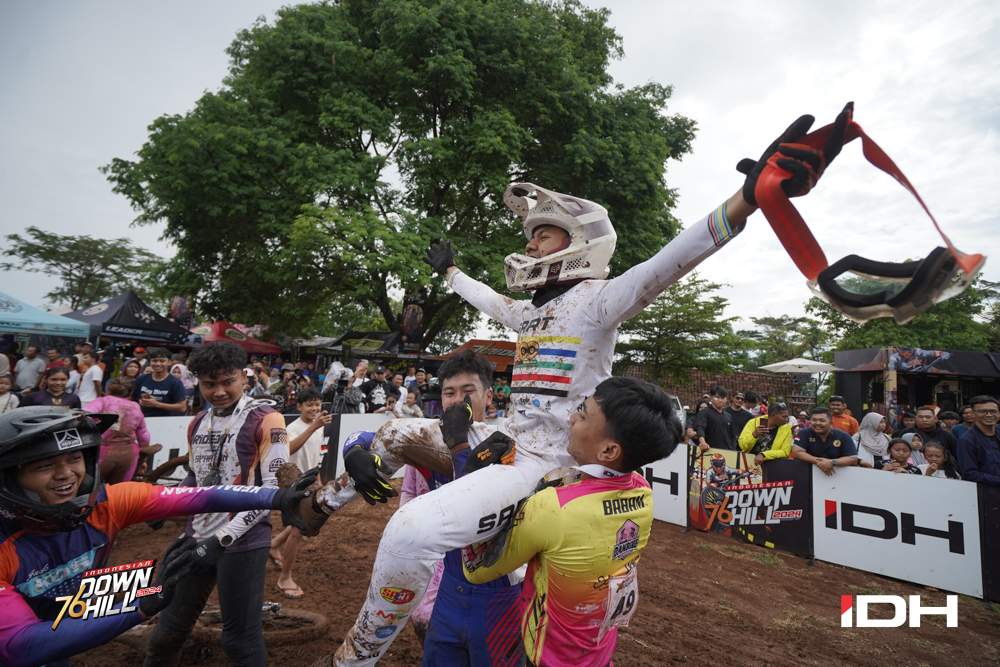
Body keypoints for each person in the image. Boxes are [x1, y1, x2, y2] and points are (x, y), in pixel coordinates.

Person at [316, 106, 852, 665]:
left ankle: (354, 659)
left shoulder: (599, 302)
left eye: (542, 235)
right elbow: (488, 300)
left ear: (580, 240)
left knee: (407, 532)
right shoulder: (529, 313)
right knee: (391, 432)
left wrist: (748, 198)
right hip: (507, 437)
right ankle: (319, 503)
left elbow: (669, 263)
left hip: (547, 464)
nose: (529, 248)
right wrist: (451, 274)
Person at [0, 405, 314, 667]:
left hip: (57, 637)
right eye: (44, 465)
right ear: (10, 476)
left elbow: (203, 497)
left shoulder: (105, 505)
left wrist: (274, 498)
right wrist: (140, 605)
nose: (67, 474)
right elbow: (19, 646)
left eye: (74, 458)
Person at [463, 377, 680, 667]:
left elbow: (476, 571)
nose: (571, 417)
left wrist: (471, 479)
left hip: (547, 656)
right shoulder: (642, 489)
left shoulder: (553, 506)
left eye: (583, 414)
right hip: (597, 652)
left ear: (609, 451)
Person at [144, 342, 292, 667]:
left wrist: (221, 539)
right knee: (166, 633)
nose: (220, 391)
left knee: (239, 641)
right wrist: (163, 505)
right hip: (196, 538)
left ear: (244, 377)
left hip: (243, 542)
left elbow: (271, 493)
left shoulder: (267, 419)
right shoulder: (198, 422)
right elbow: (195, 478)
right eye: (210, 384)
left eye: (228, 381)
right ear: (198, 382)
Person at [270, 387, 332, 599]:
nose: (315, 408)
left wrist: (318, 480)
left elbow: (314, 457)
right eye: (309, 405)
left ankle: (274, 545)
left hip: (308, 481)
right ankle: (284, 578)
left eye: (317, 404)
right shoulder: (293, 428)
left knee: (300, 522)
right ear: (299, 407)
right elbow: (288, 449)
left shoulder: (319, 426)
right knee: (298, 528)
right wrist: (314, 427)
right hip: (292, 484)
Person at [84, 377, 150, 484]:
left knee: (92, 489)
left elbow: (85, 415)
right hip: (128, 454)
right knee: (119, 492)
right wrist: (143, 458)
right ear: (130, 392)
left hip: (102, 451)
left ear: (109, 389)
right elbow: (144, 436)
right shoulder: (135, 406)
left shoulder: (102, 401)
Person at [792, 407, 858, 475]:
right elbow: (797, 452)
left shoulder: (843, 436)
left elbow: (853, 458)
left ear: (831, 424)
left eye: (822, 420)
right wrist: (819, 462)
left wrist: (832, 462)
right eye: (814, 420)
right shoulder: (804, 433)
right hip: (808, 475)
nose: (817, 423)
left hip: (838, 475)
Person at [956, 395, 1000, 486]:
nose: (989, 415)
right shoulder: (966, 440)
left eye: (993, 411)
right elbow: (970, 474)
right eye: (983, 411)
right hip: (985, 493)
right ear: (973, 413)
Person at [132, 347, 187, 418]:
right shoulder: (141, 379)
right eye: (154, 361)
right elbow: (131, 398)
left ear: (169, 362)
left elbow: (182, 407)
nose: (158, 364)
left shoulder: (175, 383)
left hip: (163, 422)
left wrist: (156, 404)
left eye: (162, 361)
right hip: (139, 420)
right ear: (150, 362)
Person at [694, 386, 736, 451]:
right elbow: (700, 428)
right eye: (717, 397)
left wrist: (733, 450)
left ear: (726, 399)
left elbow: (732, 436)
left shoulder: (728, 416)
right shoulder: (704, 413)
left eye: (722, 398)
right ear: (711, 398)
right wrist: (702, 442)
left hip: (728, 452)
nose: (720, 400)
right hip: (710, 450)